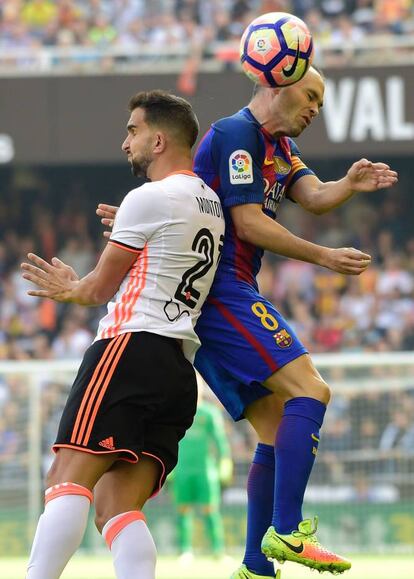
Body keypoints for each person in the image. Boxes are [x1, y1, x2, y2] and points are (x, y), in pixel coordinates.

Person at [96, 67, 398, 579]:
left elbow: (315, 196)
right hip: (222, 292)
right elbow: (247, 222)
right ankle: (287, 529)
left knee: (277, 430)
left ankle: (257, 564)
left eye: (321, 103)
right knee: (313, 391)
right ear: (278, 81)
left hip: (213, 298)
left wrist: (348, 184)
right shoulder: (238, 134)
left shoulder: (277, 147)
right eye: (311, 96)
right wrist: (323, 257)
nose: (315, 109)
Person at [21, 90, 225, 579]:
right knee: (117, 504)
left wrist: (69, 289)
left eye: (132, 131)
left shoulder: (149, 197)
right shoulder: (211, 204)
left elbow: (97, 290)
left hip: (128, 347)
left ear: (158, 140)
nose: (124, 142)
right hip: (178, 370)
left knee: (66, 480)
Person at [170, 375, 233, 561]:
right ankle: (185, 550)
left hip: (205, 471)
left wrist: (225, 463)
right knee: (183, 511)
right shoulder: (174, 413)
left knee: (210, 510)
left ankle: (218, 551)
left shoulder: (209, 413)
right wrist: (168, 468)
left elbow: (221, 442)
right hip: (181, 470)